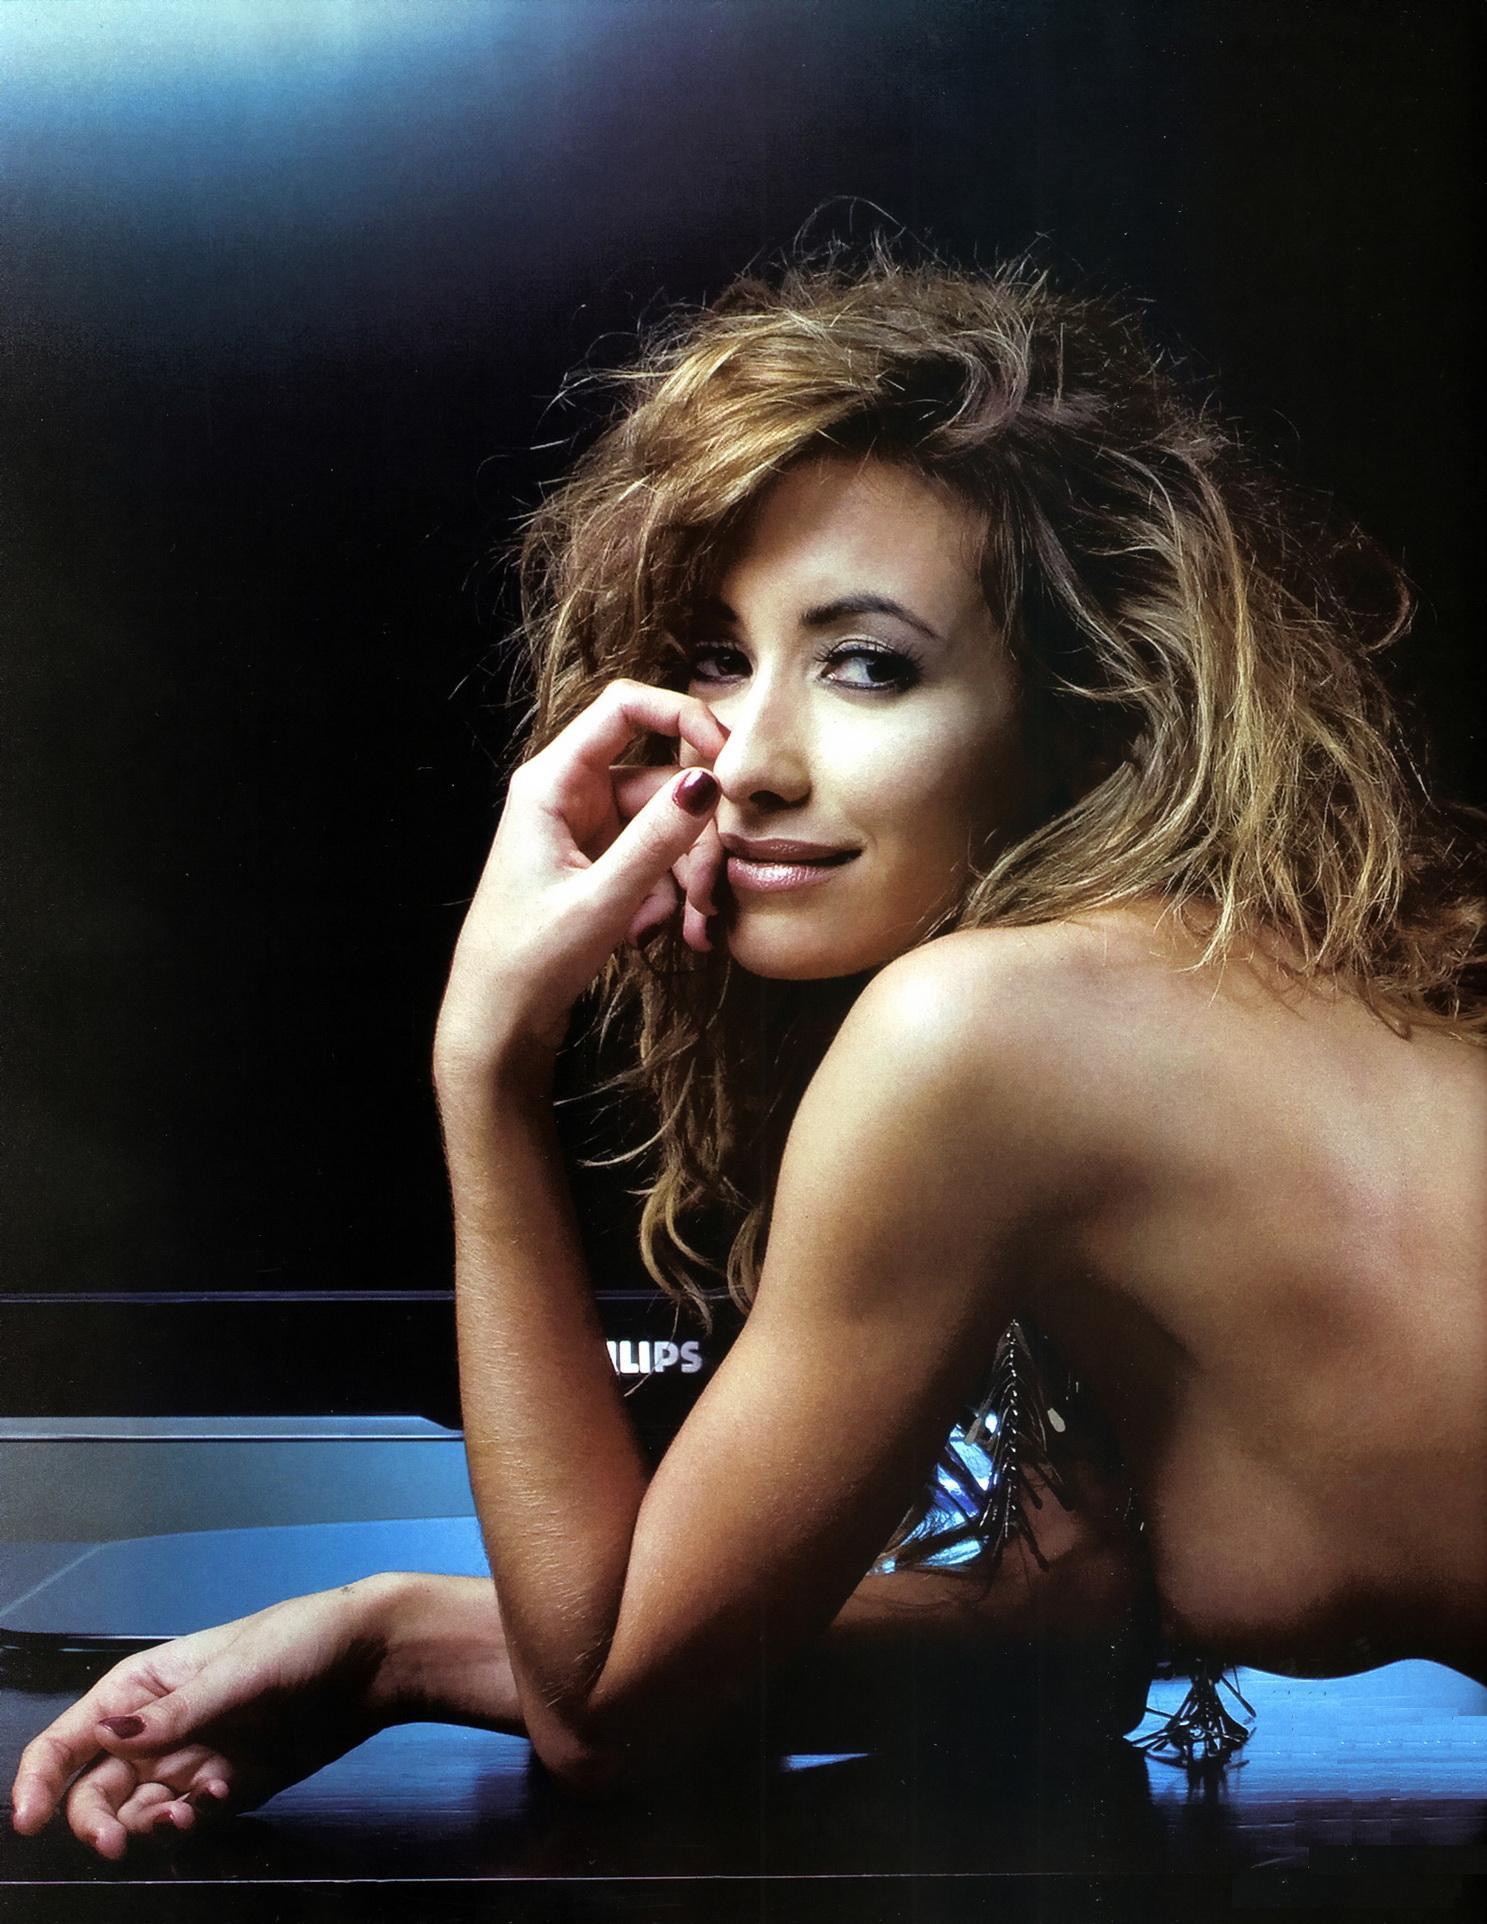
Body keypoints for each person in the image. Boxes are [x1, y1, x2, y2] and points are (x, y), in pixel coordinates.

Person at [12, 251, 1486, 1857]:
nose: (751, 762)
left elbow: (608, 1702)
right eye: (719, 658)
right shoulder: (1189, 1001)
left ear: (1077, 711)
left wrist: (486, 1057)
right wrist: (392, 1639)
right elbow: (1054, 1610)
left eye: (868, 664)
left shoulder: (979, 1033)